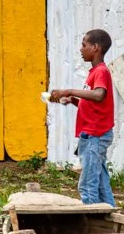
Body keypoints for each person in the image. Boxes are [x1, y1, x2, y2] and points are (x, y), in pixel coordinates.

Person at [49, 29, 116, 206]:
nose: (81, 49)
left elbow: (99, 95)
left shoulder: (100, 72)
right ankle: (109, 215)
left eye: (83, 45)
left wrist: (69, 90)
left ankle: (92, 222)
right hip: (93, 134)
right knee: (101, 183)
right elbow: (94, 103)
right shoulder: (95, 72)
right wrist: (72, 101)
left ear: (95, 48)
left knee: (87, 185)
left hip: (95, 135)